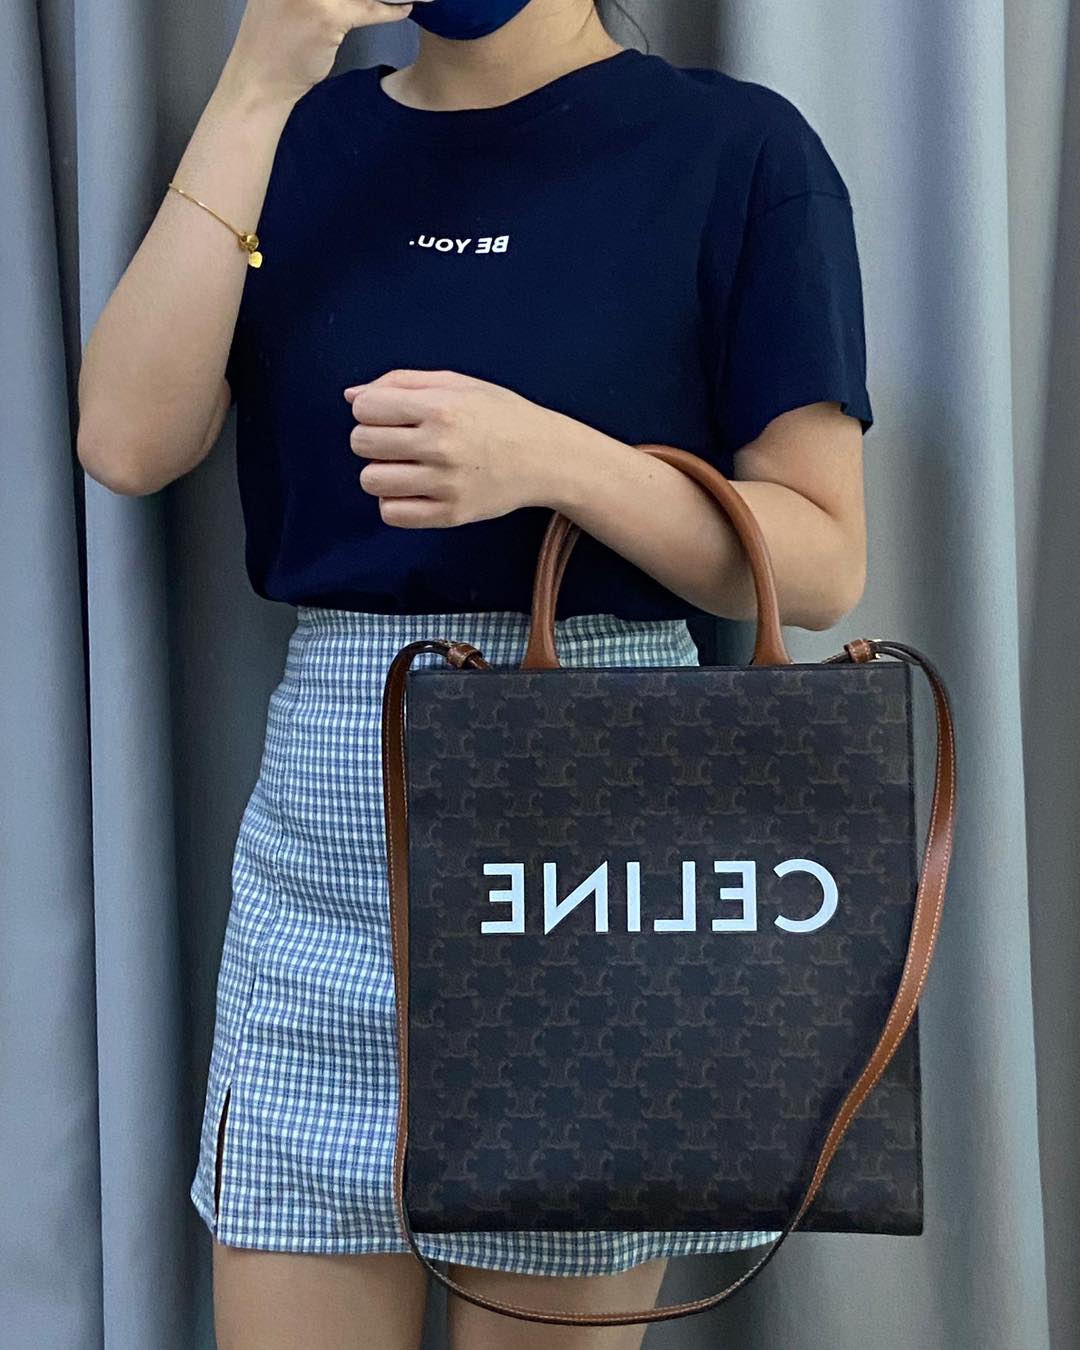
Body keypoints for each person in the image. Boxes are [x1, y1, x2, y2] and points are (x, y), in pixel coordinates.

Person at [76, 0, 874, 1346]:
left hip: (595, 850)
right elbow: (126, 438)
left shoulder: (736, 150)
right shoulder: (297, 137)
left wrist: (556, 463)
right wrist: (263, 74)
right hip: (329, 844)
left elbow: (821, 558)